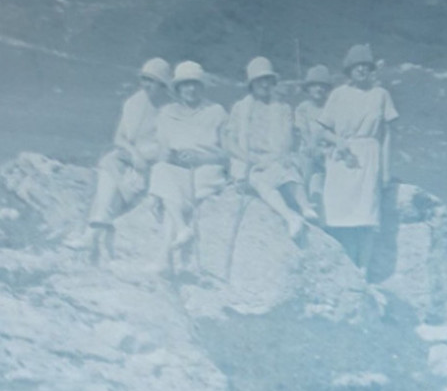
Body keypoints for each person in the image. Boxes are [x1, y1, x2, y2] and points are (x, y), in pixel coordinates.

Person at [66, 57, 171, 259]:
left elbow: (167, 145)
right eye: (144, 79)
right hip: (130, 158)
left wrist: (143, 158)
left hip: (152, 164)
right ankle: (94, 236)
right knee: (110, 165)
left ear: (163, 84)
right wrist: (134, 153)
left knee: (114, 184)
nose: (146, 85)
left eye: (152, 81)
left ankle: (92, 236)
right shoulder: (133, 102)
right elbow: (119, 137)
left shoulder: (168, 109)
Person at [319, 44, 398, 275]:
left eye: (366, 66)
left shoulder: (381, 95)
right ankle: (345, 265)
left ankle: (362, 267)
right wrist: (338, 140)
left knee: (366, 216)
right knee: (338, 214)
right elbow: (323, 130)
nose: (361, 70)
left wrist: (385, 170)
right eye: (357, 66)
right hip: (342, 158)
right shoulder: (338, 95)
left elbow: (387, 135)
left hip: (368, 156)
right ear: (349, 70)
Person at [226, 56, 318, 240]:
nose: (265, 84)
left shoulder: (282, 108)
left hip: (274, 158)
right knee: (260, 180)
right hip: (249, 161)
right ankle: (290, 216)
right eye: (260, 80)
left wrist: (275, 159)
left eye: (268, 80)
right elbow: (230, 141)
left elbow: (286, 141)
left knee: (287, 169)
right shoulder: (240, 108)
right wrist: (248, 159)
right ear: (251, 83)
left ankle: (305, 206)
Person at [149, 61, 228, 254]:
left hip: (206, 170)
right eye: (185, 84)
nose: (190, 89)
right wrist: (170, 156)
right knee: (160, 171)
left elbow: (227, 154)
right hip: (177, 170)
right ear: (177, 88)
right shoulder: (167, 113)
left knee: (172, 200)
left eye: (195, 83)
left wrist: (200, 157)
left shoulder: (216, 112)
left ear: (202, 86)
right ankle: (182, 231)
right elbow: (162, 151)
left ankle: (165, 259)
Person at [294, 64, 333, 210]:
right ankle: (303, 199)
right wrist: (311, 144)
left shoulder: (331, 108)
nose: (319, 89)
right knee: (307, 161)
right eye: (314, 85)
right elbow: (303, 130)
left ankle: (320, 201)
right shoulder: (303, 108)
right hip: (309, 148)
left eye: (323, 86)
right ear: (308, 88)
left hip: (327, 150)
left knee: (323, 175)